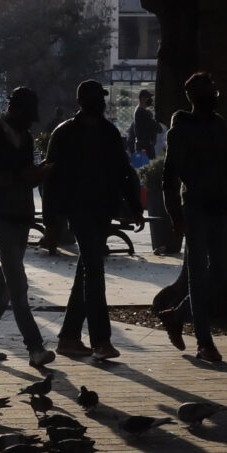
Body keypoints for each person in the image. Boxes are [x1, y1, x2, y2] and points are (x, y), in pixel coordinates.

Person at [45, 80, 138, 360]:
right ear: (81, 101)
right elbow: (51, 179)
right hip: (78, 210)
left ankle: (69, 337)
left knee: (87, 272)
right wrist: (51, 220)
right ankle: (101, 340)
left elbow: (123, 170)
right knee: (94, 272)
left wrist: (134, 205)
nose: (100, 102)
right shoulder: (65, 134)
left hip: (103, 209)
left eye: (101, 97)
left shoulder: (109, 132)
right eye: (95, 97)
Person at [158, 72, 227, 363]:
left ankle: (177, 314)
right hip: (195, 207)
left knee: (219, 273)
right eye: (210, 90)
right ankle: (204, 342)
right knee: (197, 275)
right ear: (195, 96)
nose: (216, 94)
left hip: (219, 206)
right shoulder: (181, 128)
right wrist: (175, 215)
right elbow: (169, 176)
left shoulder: (219, 125)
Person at [0, 86, 54, 366]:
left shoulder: (26, 137)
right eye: (26, 115)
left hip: (21, 216)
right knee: (18, 284)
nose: (29, 122)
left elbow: (25, 178)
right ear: (14, 109)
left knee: (6, 284)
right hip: (0, 216)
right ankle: (35, 347)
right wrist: (20, 175)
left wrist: (37, 176)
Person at [129, 89, 162, 163]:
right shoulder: (142, 112)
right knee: (147, 167)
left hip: (143, 146)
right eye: (148, 98)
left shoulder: (140, 110)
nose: (150, 100)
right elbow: (158, 128)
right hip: (145, 147)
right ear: (143, 98)